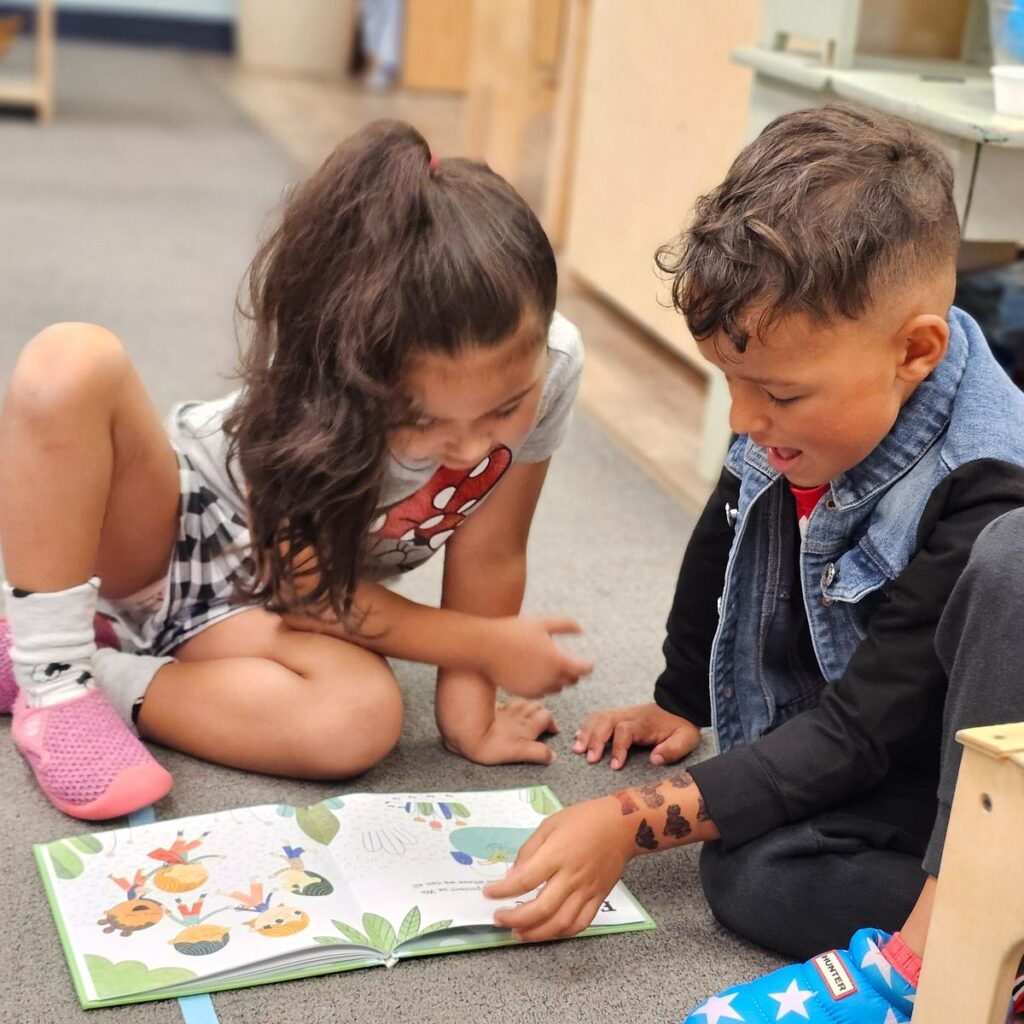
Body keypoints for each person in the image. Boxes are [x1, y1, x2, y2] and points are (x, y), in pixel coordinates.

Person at [483, 105, 1024, 1021]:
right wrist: (681, 695)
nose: (741, 419)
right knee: (749, 863)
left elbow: (861, 729)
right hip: (894, 754)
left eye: (776, 392)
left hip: (976, 778)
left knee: (751, 866)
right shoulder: (793, 420)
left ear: (916, 350)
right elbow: (728, 534)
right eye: (730, 382)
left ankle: (963, 946)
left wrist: (629, 822)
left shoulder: (989, 483)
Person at [0, 118, 591, 822]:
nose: (467, 449)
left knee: (359, 720)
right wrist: (485, 645)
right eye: (423, 420)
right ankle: (54, 681)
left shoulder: (551, 366)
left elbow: (492, 552)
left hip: (256, 609)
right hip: (169, 532)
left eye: (502, 410)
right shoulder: (319, 381)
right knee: (71, 361)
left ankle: (94, 668)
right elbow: (309, 592)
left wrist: (470, 717)